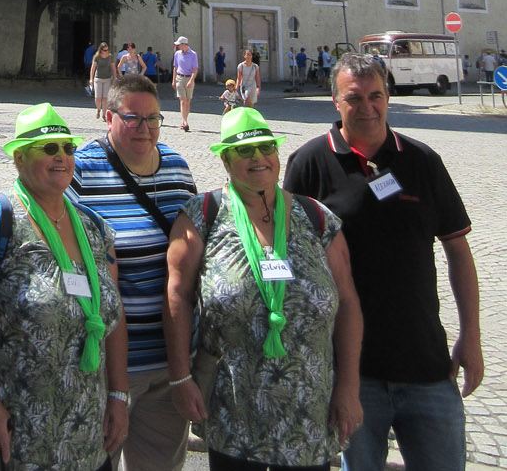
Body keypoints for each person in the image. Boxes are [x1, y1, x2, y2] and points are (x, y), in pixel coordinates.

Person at [284, 52, 484, 471]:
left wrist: (471, 335)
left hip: (426, 365)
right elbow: (292, 263)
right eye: (353, 98)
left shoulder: (422, 161)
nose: (367, 107)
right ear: (334, 100)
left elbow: (458, 251)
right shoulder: (308, 163)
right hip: (349, 374)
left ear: (388, 97)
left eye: (376, 96)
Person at [164, 106, 363, 471]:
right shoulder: (201, 215)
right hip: (234, 411)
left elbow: (348, 301)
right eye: (243, 150)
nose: (258, 158)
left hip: (310, 412)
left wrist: (349, 386)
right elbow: (177, 297)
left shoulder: (317, 218)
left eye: (266, 148)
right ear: (225, 159)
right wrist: (180, 377)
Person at [0, 104, 130, 471]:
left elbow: (114, 319)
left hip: (86, 435)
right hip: (15, 433)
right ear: (19, 157)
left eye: (67, 148)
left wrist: (118, 396)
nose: (61, 157)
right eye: (48, 148)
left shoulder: (95, 229)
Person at [71, 73, 197, 471]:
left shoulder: (177, 168)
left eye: (153, 119)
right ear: (109, 117)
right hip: (103, 367)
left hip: (166, 362)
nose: (145, 129)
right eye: (133, 119)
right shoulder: (80, 171)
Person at [173, 36, 198, 132]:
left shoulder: (193, 54)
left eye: (179, 44)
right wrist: (173, 80)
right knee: (182, 100)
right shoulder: (177, 54)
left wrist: (191, 81)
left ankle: (185, 120)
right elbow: (175, 67)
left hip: (189, 78)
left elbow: (195, 69)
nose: (178, 46)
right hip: (179, 78)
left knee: (187, 102)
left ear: (184, 44)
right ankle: (185, 122)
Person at [90, 42, 115, 119]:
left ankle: (104, 115)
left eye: (107, 50)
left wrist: (114, 77)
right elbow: (93, 68)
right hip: (98, 79)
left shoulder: (110, 57)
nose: (106, 51)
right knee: (97, 97)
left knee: (105, 98)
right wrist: (91, 79)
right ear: (101, 50)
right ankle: (98, 109)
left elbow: (113, 68)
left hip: (107, 79)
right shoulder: (97, 57)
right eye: (104, 50)